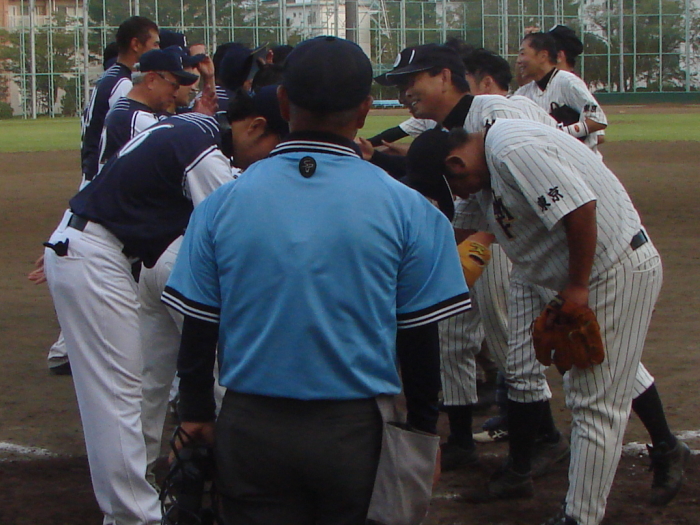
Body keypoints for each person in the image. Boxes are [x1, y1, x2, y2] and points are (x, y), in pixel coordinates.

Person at [161, 36, 472, 524]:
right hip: (354, 432)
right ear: (365, 110)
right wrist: (422, 433)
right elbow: (418, 339)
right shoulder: (410, 209)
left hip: (250, 426)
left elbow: (200, 325)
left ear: (284, 103)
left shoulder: (222, 204)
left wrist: (197, 414)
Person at [407, 123, 689, 525]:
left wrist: (576, 288)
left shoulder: (511, 151)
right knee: (575, 377)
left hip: (612, 270)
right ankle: (666, 448)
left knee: (593, 402)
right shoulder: (481, 175)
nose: (461, 195)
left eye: (454, 187)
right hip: (555, 276)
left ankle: (580, 517)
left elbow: (580, 209)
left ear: (456, 163)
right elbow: (461, 239)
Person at [377, 42, 568, 473]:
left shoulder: (496, 114)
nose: (405, 93)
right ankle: (461, 439)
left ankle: (545, 434)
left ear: (445, 77)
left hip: (525, 239)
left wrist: (472, 252)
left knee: (508, 341)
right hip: (486, 230)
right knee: (451, 333)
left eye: (412, 81)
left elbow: (533, 185)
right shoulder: (448, 125)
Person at [42, 104, 233, 525]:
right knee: (118, 397)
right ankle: (134, 517)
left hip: (94, 247)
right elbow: (231, 225)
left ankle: (132, 508)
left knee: (135, 388)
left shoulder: (183, 130)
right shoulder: (203, 147)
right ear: (253, 127)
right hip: (98, 254)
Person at [139, 85, 289, 482]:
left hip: (154, 261)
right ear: (256, 126)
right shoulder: (211, 154)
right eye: (277, 142)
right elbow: (233, 229)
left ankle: (136, 485)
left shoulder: (196, 131)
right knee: (226, 373)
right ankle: (233, 474)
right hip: (183, 263)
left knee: (148, 384)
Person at [44, 16, 160, 376]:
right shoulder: (123, 84)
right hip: (102, 180)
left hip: (92, 177)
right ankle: (72, 349)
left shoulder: (108, 77)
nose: (156, 49)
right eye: (153, 43)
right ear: (136, 45)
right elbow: (126, 139)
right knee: (111, 264)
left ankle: (65, 349)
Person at [97, 47, 200, 174]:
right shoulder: (137, 118)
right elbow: (185, 154)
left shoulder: (126, 108)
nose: (175, 93)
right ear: (151, 80)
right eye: (174, 85)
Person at [514, 32, 607, 154]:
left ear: (543, 56)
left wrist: (562, 133)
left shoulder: (567, 81)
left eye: (522, 53)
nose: (518, 60)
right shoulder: (523, 93)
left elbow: (598, 119)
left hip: (580, 161)